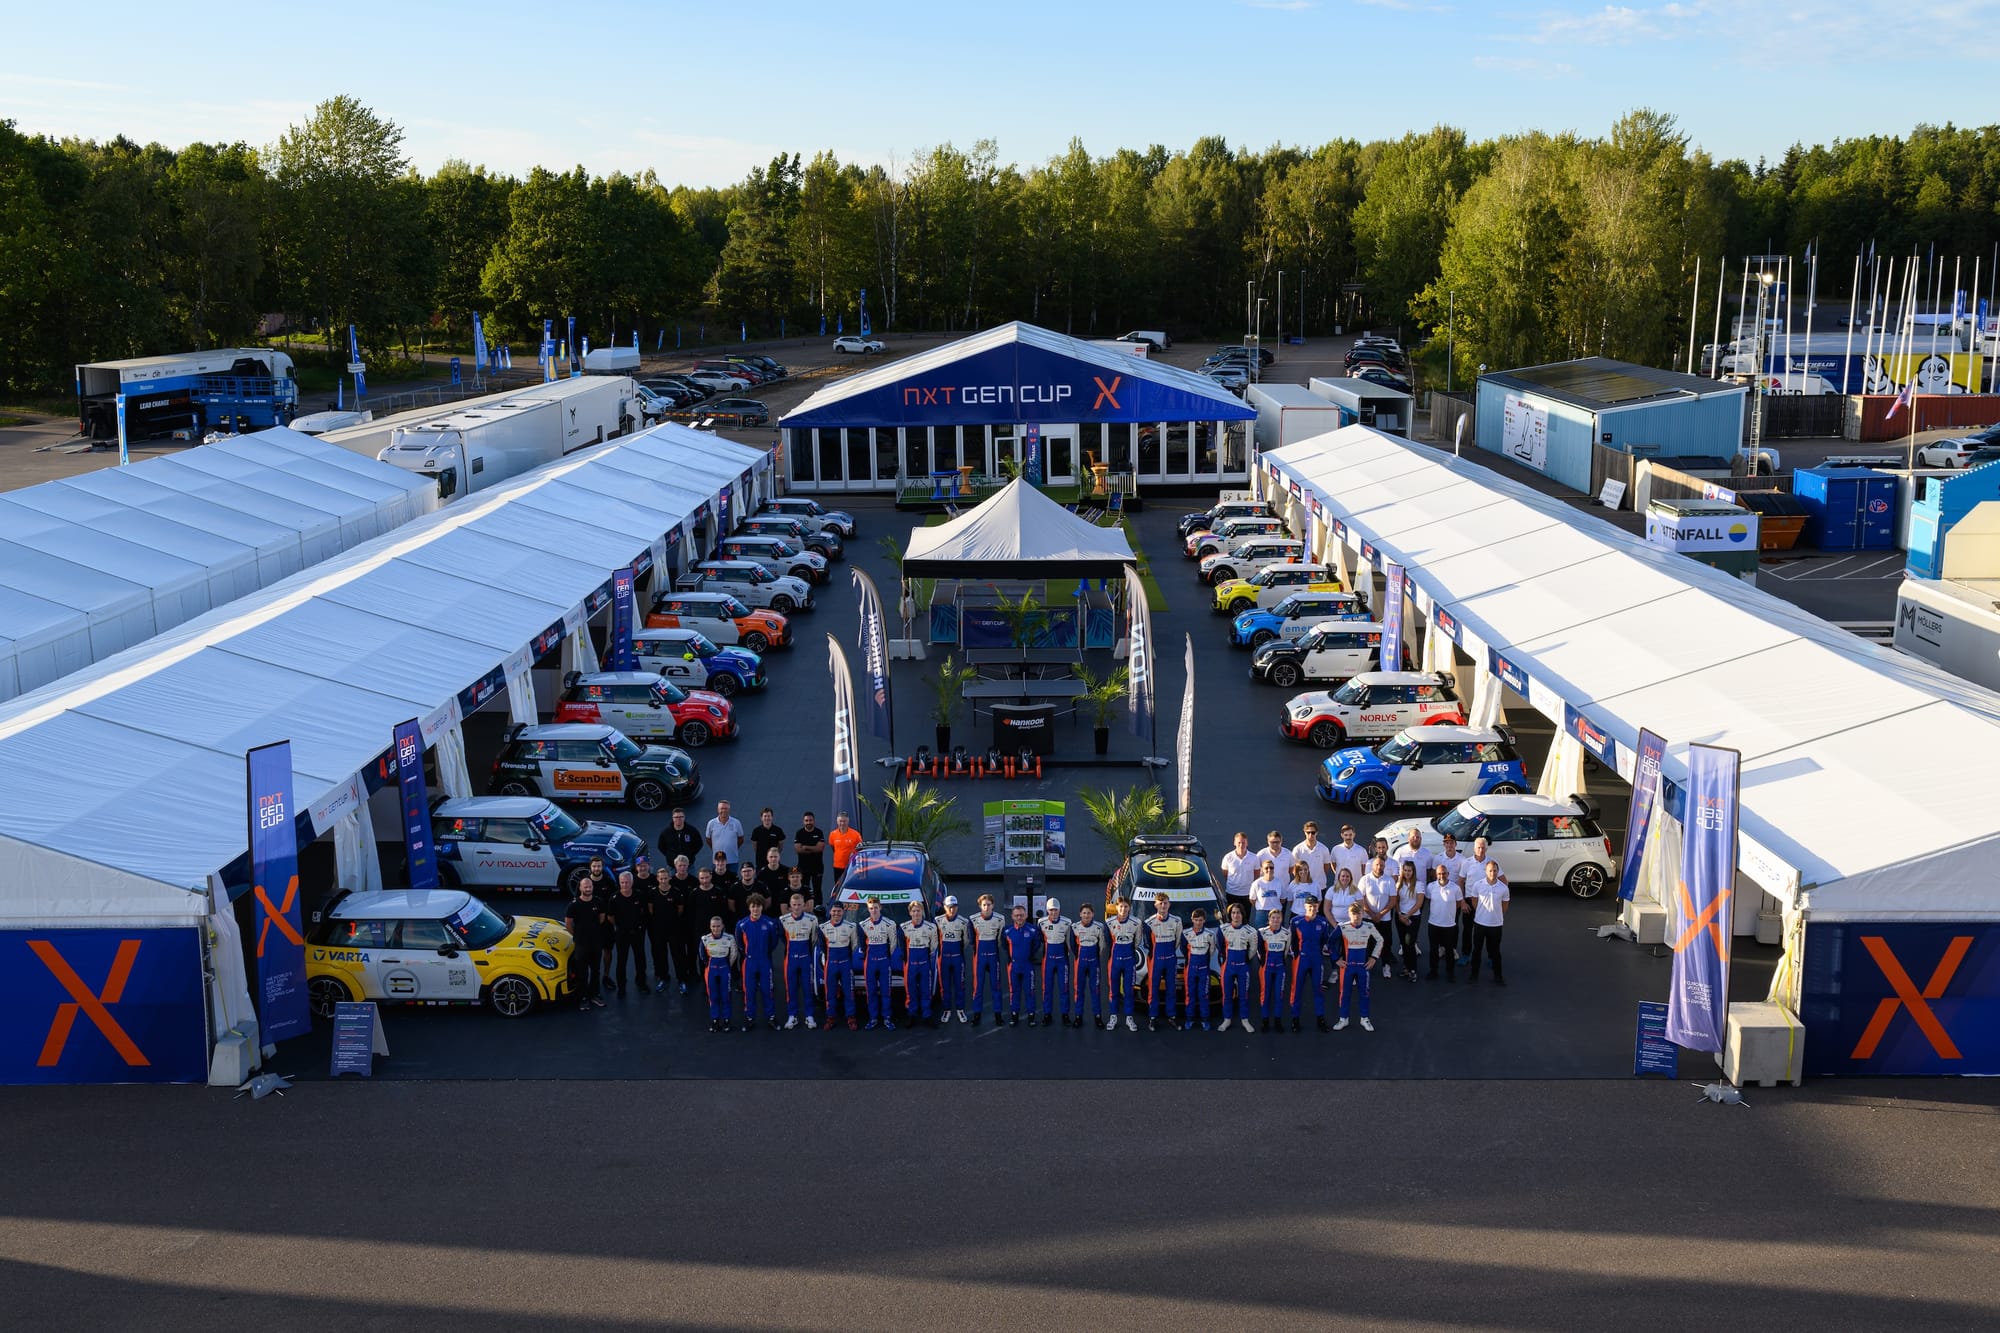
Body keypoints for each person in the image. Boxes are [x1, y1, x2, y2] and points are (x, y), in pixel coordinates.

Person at [1334, 901, 1384, 1031]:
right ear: (1349, 914)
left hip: (1363, 967)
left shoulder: (1369, 926)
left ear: (1363, 914)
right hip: (1347, 967)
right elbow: (1330, 943)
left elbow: (1380, 940)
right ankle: (1343, 1019)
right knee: (1344, 993)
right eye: (1353, 914)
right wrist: (1336, 959)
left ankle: (1365, 1019)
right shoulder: (1342, 927)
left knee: (1364, 993)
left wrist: (1374, 958)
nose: (1356, 917)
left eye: (1359, 914)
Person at [736, 893, 780, 1030]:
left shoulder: (770, 923)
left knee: (767, 990)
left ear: (762, 907)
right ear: (749, 907)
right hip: (749, 962)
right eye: (753, 906)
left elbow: (774, 942)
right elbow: (739, 943)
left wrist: (764, 953)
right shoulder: (742, 924)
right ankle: (750, 1017)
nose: (755, 909)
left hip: (764, 961)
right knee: (749, 991)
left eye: (758, 906)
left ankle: (771, 1017)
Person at [1290, 895, 1333, 1032]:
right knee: (1297, 990)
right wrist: (1296, 955)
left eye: (1314, 906)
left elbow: (1325, 940)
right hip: (1301, 960)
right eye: (1309, 906)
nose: (1312, 909)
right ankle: (1295, 1019)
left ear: (1318, 906)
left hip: (1316, 960)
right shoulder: (1296, 921)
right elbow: (1292, 941)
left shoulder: (1323, 922)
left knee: (1318, 990)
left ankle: (1320, 1018)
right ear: (1305, 906)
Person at [1143, 893, 1184, 1031]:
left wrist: (1170, 952)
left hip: (1171, 958)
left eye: (1165, 903)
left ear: (1169, 904)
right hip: (1156, 959)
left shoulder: (1177, 921)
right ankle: (1152, 1017)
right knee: (1153, 988)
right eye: (1160, 903)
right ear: (1155, 905)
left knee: (1171, 988)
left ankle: (1171, 1015)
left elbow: (1178, 940)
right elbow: (1147, 943)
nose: (1163, 906)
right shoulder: (1149, 922)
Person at [779, 891, 820, 1029]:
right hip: (790, 959)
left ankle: (809, 1016)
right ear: (790, 906)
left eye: (799, 904)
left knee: (808, 988)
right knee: (791, 988)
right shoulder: (783, 920)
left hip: (806, 959)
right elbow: (782, 938)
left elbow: (814, 939)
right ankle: (792, 1016)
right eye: (794, 905)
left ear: (804, 905)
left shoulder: (812, 920)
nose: (796, 907)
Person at [859, 896, 901, 1030]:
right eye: (871, 908)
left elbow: (893, 944)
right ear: (868, 909)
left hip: (884, 961)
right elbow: (862, 944)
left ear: (880, 907)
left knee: (885, 991)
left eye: (876, 908)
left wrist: (886, 956)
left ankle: (887, 1017)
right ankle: (873, 1018)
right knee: (870, 991)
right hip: (870, 962)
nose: (874, 910)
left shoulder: (890, 924)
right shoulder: (863, 925)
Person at [565, 878, 607, 1011]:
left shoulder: (598, 902)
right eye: (585, 887)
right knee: (582, 973)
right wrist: (578, 935)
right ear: (580, 888)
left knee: (596, 971)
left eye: (590, 886)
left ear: (592, 887)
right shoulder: (573, 905)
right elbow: (568, 924)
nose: (588, 889)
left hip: (596, 943)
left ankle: (595, 995)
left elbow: (602, 918)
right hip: (581, 945)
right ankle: (583, 998)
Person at [655, 855, 695, 994]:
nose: (682, 868)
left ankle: (682, 979)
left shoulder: (686, 885)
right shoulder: (657, 890)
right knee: (661, 954)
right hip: (661, 928)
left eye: (684, 865)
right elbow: (651, 909)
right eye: (680, 865)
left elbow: (680, 909)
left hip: (677, 926)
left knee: (678, 954)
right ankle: (663, 978)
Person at [1218, 904, 1260, 1033]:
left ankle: (1245, 1020)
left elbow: (1253, 949)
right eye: (1233, 913)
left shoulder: (1251, 931)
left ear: (1243, 915)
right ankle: (1227, 1019)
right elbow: (1220, 946)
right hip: (1228, 967)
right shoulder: (1223, 929)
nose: (1236, 915)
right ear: (1230, 915)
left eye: (1238, 913)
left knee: (1244, 995)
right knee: (1227, 995)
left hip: (1243, 967)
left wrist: (1245, 960)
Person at [606, 870, 648, 995]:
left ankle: (641, 983)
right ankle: (621, 987)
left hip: (637, 933)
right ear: (619, 883)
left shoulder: (639, 895)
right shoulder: (614, 898)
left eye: (627, 882)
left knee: (640, 959)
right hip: (622, 934)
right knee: (621, 961)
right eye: (622, 882)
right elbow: (610, 917)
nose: (624, 885)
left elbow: (643, 911)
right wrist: (620, 926)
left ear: (632, 882)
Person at [820, 901, 860, 1029]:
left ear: (843, 912)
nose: (836, 913)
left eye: (839, 911)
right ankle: (830, 1017)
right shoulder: (823, 927)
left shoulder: (851, 927)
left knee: (849, 992)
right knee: (830, 992)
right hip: (831, 964)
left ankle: (851, 1017)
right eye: (834, 911)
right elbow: (821, 946)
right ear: (830, 912)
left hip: (845, 964)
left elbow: (854, 944)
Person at [1106, 897, 1144, 1032]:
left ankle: (1129, 1018)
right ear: (1116, 907)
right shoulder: (1109, 922)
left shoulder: (1136, 922)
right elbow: (1107, 942)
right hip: (1114, 961)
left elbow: (1137, 942)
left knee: (1129, 990)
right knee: (1114, 990)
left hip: (1129, 961)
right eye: (1121, 906)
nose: (1123, 909)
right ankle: (1113, 1016)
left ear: (1130, 908)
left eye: (1126, 906)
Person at [1468, 860, 1509, 985]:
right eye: (1490, 870)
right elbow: (1474, 901)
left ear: (1498, 871)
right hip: (1480, 924)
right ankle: (1474, 976)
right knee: (1477, 951)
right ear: (1485, 871)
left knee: (1495, 952)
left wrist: (1495, 915)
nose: (1493, 873)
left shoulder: (1503, 888)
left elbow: (1504, 906)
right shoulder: (1477, 885)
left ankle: (1498, 977)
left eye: (1495, 870)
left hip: (1496, 925)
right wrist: (1482, 913)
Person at [1357, 855, 1398, 980]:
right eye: (1377, 865)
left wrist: (1380, 914)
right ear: (1372, 866)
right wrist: (1371, 914)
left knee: (1386, 942)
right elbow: (1361, 899)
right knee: (1367, 943)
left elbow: (1393, 900)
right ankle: (1366, 966)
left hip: (1384, 919)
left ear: (1385, 866)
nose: (1379, 867)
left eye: (1382, 865)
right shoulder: (1364, 879)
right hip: (1367, 918)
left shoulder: (1390, 880)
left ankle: (1385, 965)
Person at [968, 894, 1006, 1025]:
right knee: (978, 987)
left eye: (989, 904)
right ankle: (976, 1014)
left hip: (994, 956)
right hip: (979, 958)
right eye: (984, 905)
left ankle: (998, 1015)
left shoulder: (1000, 919)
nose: (986, 907)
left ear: (993, 905)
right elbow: (971, 940)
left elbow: (1001, 939)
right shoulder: (973, 919)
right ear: (980, 906)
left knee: (996, 986)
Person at [1422, 862, 1463, 982]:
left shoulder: (1455, 888)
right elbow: (1429, 900)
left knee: (1449, 951)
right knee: (1433, 950)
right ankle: (1433, 971)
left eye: (1444, 873)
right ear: (1436, 875)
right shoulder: (1430, 887)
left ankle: (1450, 973)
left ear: (1448, 874)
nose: (1442, 876)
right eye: (1439, 873)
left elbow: (1458, 903)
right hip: (1433, 924)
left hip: (1449, 925)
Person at [1459, 836, 1496, 964]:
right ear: (1474, 848)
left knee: (1488, 930)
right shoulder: (1467, 863)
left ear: (1486, 848)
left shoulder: (1491, 863)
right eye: (1478, 847)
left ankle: (1491, 957)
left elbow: (1503, 881)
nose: (1480, 850)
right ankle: (1466, 954)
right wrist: (1462, 902)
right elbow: (1461, 882)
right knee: (1467, 930)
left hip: (1486, 902)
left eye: (1483, 847)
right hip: (1469, 901)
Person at [1038, 898, 1074, 1027]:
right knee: (1047, 988)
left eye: (1055, 910)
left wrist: (1072, 954)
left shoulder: (1067, 922)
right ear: (1047, 910)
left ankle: (1065, 1015)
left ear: (1059, 910)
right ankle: (1047, 1014)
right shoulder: (1041, 922)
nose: (1053, 912)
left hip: (1062, 961)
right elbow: (1039, 940)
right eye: (1051, 910)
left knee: (1064, 988)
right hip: (1048, 960)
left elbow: (1069, 941)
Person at [699, 916, 739, 1032]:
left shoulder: (730, 938)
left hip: (724, 968)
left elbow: (734, 954)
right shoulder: (705, 939)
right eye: (713, 926)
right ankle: (715, 1020)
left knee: (726, 995)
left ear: (722, 926)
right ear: (710, 927)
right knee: (713, 996)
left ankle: (726, 1020)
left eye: (718, 926)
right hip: (711, 969)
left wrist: (727, 965)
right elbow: (702, 954)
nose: (716, 929)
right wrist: (708, 964)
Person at [902, 900, 939, 1027]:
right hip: (911, 964)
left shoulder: (931, 927)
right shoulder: (904, 927)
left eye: (918, 910)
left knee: (926, 990)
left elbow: (933, 946)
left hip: (924, 963)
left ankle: (927, 1015)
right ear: (910, 913)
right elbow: (901, 946)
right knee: (910, 990)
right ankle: (911, 1015)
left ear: (922, 911)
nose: (916, 913)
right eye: (914, 911)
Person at [1071, 902, 1107, 1028]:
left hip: (1094, 963)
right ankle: (1078, 1017)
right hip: (1080, 963)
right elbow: (1072, 945)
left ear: (1093, 914)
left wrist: (1096, 957)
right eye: (1084, 913)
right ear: (1080, 914)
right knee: (1079, 990)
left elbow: (1102, 946)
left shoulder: (1099, 927)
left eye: (1089, 913)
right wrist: (1078, 957)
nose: (1086, 915)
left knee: (1095, 990)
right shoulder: (1074, 927)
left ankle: (1098, 1017)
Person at [1003, 904, 1039, 1026]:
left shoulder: (1033, 930)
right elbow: (1004, 945)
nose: (1019, 918)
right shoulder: (1007, 931)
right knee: (1014, 991)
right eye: (1017, 915)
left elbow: (1036, 945)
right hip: (1013, 967)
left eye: (1022, 915)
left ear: (1026, 915)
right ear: (1012, 916)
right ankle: (1014, 1015)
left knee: (1030, 991)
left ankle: (1031, 1016)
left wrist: (1029, 957)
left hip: (1028, 966)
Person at [1257, 909, 1293, 1032]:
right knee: (1265, 995)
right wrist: (1263, 964)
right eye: (1273, 918)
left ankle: (1278, 1021)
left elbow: (1286, 951)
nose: (1275, 920)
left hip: (1280, 968)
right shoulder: (1262, 932)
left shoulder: (1287, 933)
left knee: (1279, 995)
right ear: (1269, 919)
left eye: (1278, 918)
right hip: (1266, 968)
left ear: (1281, 919)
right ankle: (1265, 1021)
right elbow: (1259, 950)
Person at [1182, 906, 1217, 1031]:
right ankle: (1189, 1018)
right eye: (1196, 920)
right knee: (1190, 994)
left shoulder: (1210, 934)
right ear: (1192, 919)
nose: (1198, 922)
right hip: (1191, 968)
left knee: (1204, 994)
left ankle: (1205, 1019)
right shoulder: (1186, 933)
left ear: (1204, 920)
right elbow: (1183, 949)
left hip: (1204, 968)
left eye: (1200, 920)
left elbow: (1212, 950)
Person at [936, 895, 970, 1022]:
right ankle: (947, 1010)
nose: (952, 909)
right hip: (943, 959)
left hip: (957, 958)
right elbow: (935, 940)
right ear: (944, 907)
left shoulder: (963, 922)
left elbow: (966, 940)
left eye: (954, 907)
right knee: (944, 985)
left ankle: (960, 1009)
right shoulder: (937, 921)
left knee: (959, 984)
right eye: (949, 907)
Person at [1392, 860, 1423, 983]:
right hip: (1400, 917)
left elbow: (1419, 903)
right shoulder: (1398, 884)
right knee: (1403, 944)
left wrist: (1407, 916)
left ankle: (1413, 970)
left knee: (1410, 943)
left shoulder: (1419, 884)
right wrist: (1400, 914)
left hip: (1412, 918)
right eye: (1405, 870)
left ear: (1413, 871)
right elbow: (1396, 901)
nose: (1407, 873)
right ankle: (1406, 968)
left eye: (1409, 870)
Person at [1220, 831, 1259, 920]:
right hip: (1232, 893)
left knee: (1245, 918)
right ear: (1234, 843)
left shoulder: (1254, 858)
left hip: (1247, 894)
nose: (1241, 845)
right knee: (1231, 918)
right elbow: (1225, 874)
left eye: (1243, 843)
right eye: (1239, 842)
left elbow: (1256, 874)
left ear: (1247, 843)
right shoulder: (1228, 857)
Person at [1292, 821, 1335, 898]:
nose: (1310, 835)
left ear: (1317, 833)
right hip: (1303, 887)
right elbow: (1294, 868)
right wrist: (1302, 881)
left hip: (1320, 886)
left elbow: (1326, 867)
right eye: (1308, 832)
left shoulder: (1324, 849)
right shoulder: (1297, 849)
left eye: (1313, 832)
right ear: (1304, 832)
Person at [792, 812, 827, 906]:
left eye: (810, 820)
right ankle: (804, 907)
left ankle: (818, 909)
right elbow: (798, 849)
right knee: (804, 889)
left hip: (817, 867)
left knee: (817, 889)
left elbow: (820, 848)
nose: (808, 822)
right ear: (803, 821)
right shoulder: (799, 833)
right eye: (806, 820)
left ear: (814, 821)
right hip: (803, 867)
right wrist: (813, 849)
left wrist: (805, 847)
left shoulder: (819, 832)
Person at [657, 808, 703, 876]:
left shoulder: (692, 831)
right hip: (672, 866)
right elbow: (661, 846)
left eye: (681, 817)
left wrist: (690, 854)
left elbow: (699, 844)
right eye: (676, 817)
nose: (678, 819)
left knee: (692, 881)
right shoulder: (666, 832)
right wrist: (670, 855)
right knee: (672, 882)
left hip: (688, 866)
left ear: (684, 817)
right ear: (672, 818)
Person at [706, 800, 747, 870]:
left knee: (733, 877)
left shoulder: (736, 823)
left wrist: (733, 848)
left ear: (729, 810)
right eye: (722, 808)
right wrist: (715, 848)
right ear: (718, 810)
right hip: (717, 861)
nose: (724, 811)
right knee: (716, 877)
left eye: (726, 808)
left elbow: (741, 839)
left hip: (732, 860)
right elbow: (708, 839)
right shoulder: (711, 823)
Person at [1328, 824, 1370, 891]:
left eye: (1350, 835)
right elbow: (1333, 864)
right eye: (1346, 835)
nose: (1348, 837)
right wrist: (1339, 874)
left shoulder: (1361, 850)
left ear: (1354, 835)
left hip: (1356, 886)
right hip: (1339, 885)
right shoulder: (1335, 849)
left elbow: (1364, 868)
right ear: (1342, 835)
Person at [1392, 828, 1435, 892]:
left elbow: (1429, 871)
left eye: (1418, 837)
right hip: (1403, 889)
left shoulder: (1427, 853)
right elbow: (1394, 869)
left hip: (1420, 890)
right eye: (1413, 837)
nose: (1415, 839)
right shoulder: (1400, 852)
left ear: (1421, 839)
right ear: (1408, 838)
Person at [828, 811, 863, 888]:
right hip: (838, 866)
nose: (842, 823)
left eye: (844, 821)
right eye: (840, 821)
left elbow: (860, 849)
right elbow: (833, 847)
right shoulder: (833, 834)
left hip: (851, 866)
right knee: (838, 887)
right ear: (837, 822)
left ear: (848, 821)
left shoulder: (856, 834)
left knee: (851, 886)